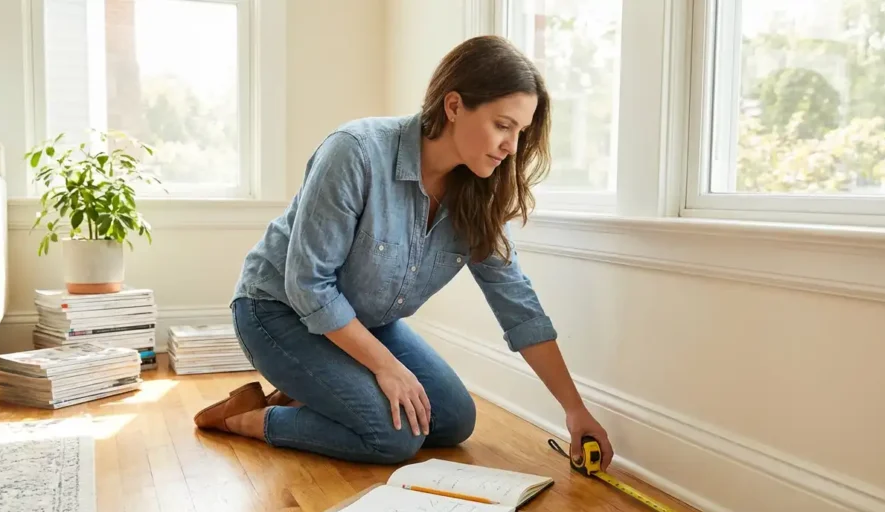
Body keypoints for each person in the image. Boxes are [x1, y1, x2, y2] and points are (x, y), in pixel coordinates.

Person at [193, 35, 614, 468]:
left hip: (363, 322)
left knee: (453, 420)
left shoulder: (480, 193)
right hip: (278, 311)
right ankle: (248, 418)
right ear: (454, 106)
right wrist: (387, 368)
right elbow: (308, 286)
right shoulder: (355, 151)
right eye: (503, 125)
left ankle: (315, 391)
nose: (512, 147)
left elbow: (518, 306)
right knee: (394, 436)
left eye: (521, 132)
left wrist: (574, 410)